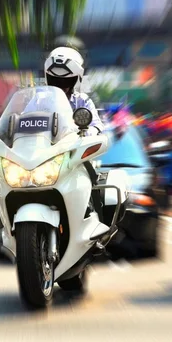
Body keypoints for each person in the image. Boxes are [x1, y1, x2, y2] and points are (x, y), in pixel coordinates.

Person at [44, 46, 106, 223]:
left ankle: (95, 221)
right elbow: (24, 121)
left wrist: (87, 134)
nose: (60, 85)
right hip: (44, 155)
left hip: (74, 154)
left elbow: (96, 126)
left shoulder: (82, 100)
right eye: (55, 80)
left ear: (76, 79)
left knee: (90, 179)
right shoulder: (38, 100)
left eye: (66, 81)